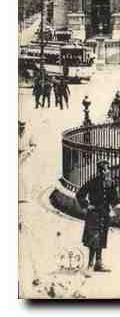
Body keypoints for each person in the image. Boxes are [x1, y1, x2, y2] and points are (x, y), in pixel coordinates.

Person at [76, 159, 120, 273]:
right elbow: (80, 194)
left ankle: (98, 264)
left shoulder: (110, 182)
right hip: (94, 214)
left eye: (107, 170)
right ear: (100, 171)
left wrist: (112, 202)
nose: (107, 172)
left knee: (101, 237)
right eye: (105, 170)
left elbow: (116, 199)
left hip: (104, 214)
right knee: (93, 239)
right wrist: (87, 205)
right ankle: (90, 264)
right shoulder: (92, 182)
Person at [18, 121, 39, 291]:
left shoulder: (24, 165)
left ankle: (33, 274)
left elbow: (34, 144)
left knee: (26, 238)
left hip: (23, 200)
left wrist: (28, 152)